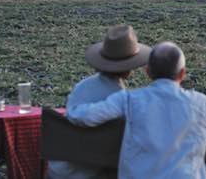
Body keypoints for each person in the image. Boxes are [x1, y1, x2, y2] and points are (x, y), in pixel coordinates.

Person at [67, 41, 206, 179]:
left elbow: (82, 116)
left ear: (148, 72)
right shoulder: (201, 103)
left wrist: (73, 107)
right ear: (182, 73)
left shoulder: (128, 99)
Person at [47, 24, 151, 179]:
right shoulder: (118, 97)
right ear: (130, 66)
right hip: (92, 171)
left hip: (60, 169)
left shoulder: (82, 86)